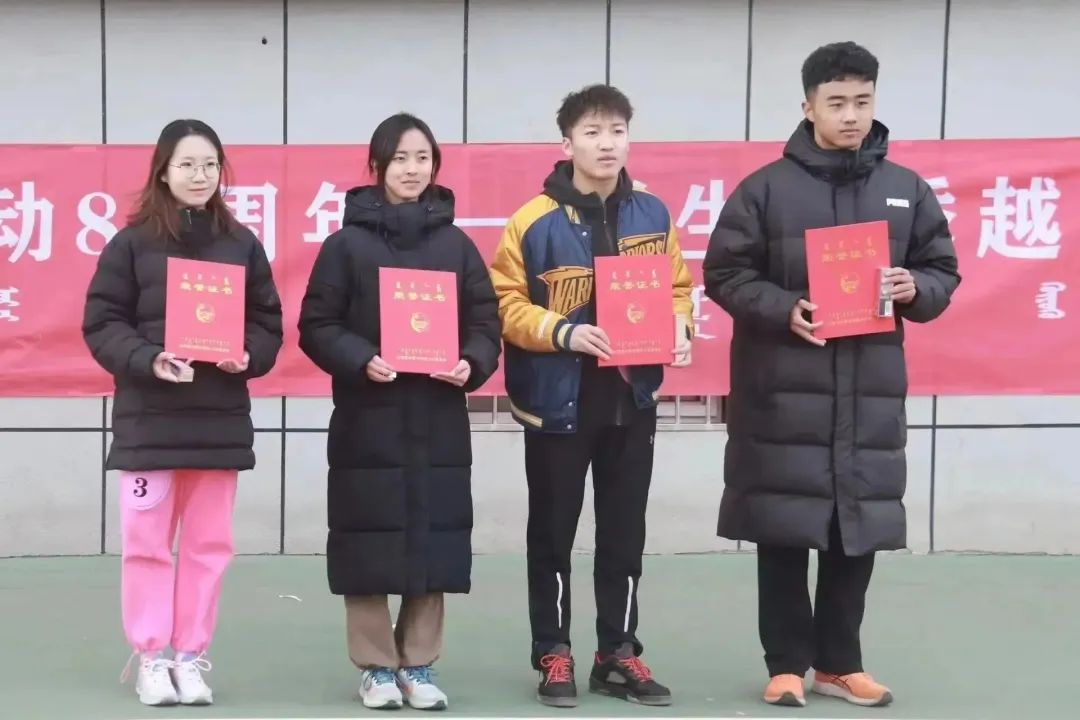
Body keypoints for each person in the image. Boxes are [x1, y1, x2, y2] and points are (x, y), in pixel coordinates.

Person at [702, 41, 961, 709]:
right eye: (837, 102)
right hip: (783, 394)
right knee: (784, 529)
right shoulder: (765, 189)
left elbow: (942, 270)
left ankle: (840, 664)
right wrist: (785, 308)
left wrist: (915, 287)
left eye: (862, 102)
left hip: (868, 393)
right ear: (808, 106)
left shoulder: (907, 190)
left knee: (855, 530)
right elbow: (725, 273)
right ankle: (787, 665)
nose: (850, 115)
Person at [489, 84, 694, 708]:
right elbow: (504, 303)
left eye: (617, 131)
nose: (607, 144)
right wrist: (565, 332)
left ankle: (617, 653)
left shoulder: (653, 214)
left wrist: (680, 326)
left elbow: (679, 287)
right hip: (558, 402)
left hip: (631, 400)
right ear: (567, 143)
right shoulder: (532, 220)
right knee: (552, 533)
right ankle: (553, 652)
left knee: (624, 533)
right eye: (593, 132)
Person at [297, 112, 502, 712]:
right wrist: (360, 358)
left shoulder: (457, 246)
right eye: (400, 158)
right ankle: (376, 668)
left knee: (433, 537)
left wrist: (470, 362)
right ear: (377, 166)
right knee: (367, 538)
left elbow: (486, 321)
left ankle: (420, 662)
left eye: (423, 158)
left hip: (438, 416)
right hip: (369, 416)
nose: (412, 169)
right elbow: (316, 324)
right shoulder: (346, 245)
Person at [81, 119, 283, 707]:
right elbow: (102, 323)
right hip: (149, 422)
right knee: (147, 545)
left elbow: (267, 323)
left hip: (218, 422)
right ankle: (151, 657)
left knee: (208, 547)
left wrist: (248, 355)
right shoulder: (130, 244)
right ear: (163, 171)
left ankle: (190, 657)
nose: (200, 175)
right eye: (188, 164)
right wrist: (148, 359)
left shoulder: (241, 243)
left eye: (210, 165)